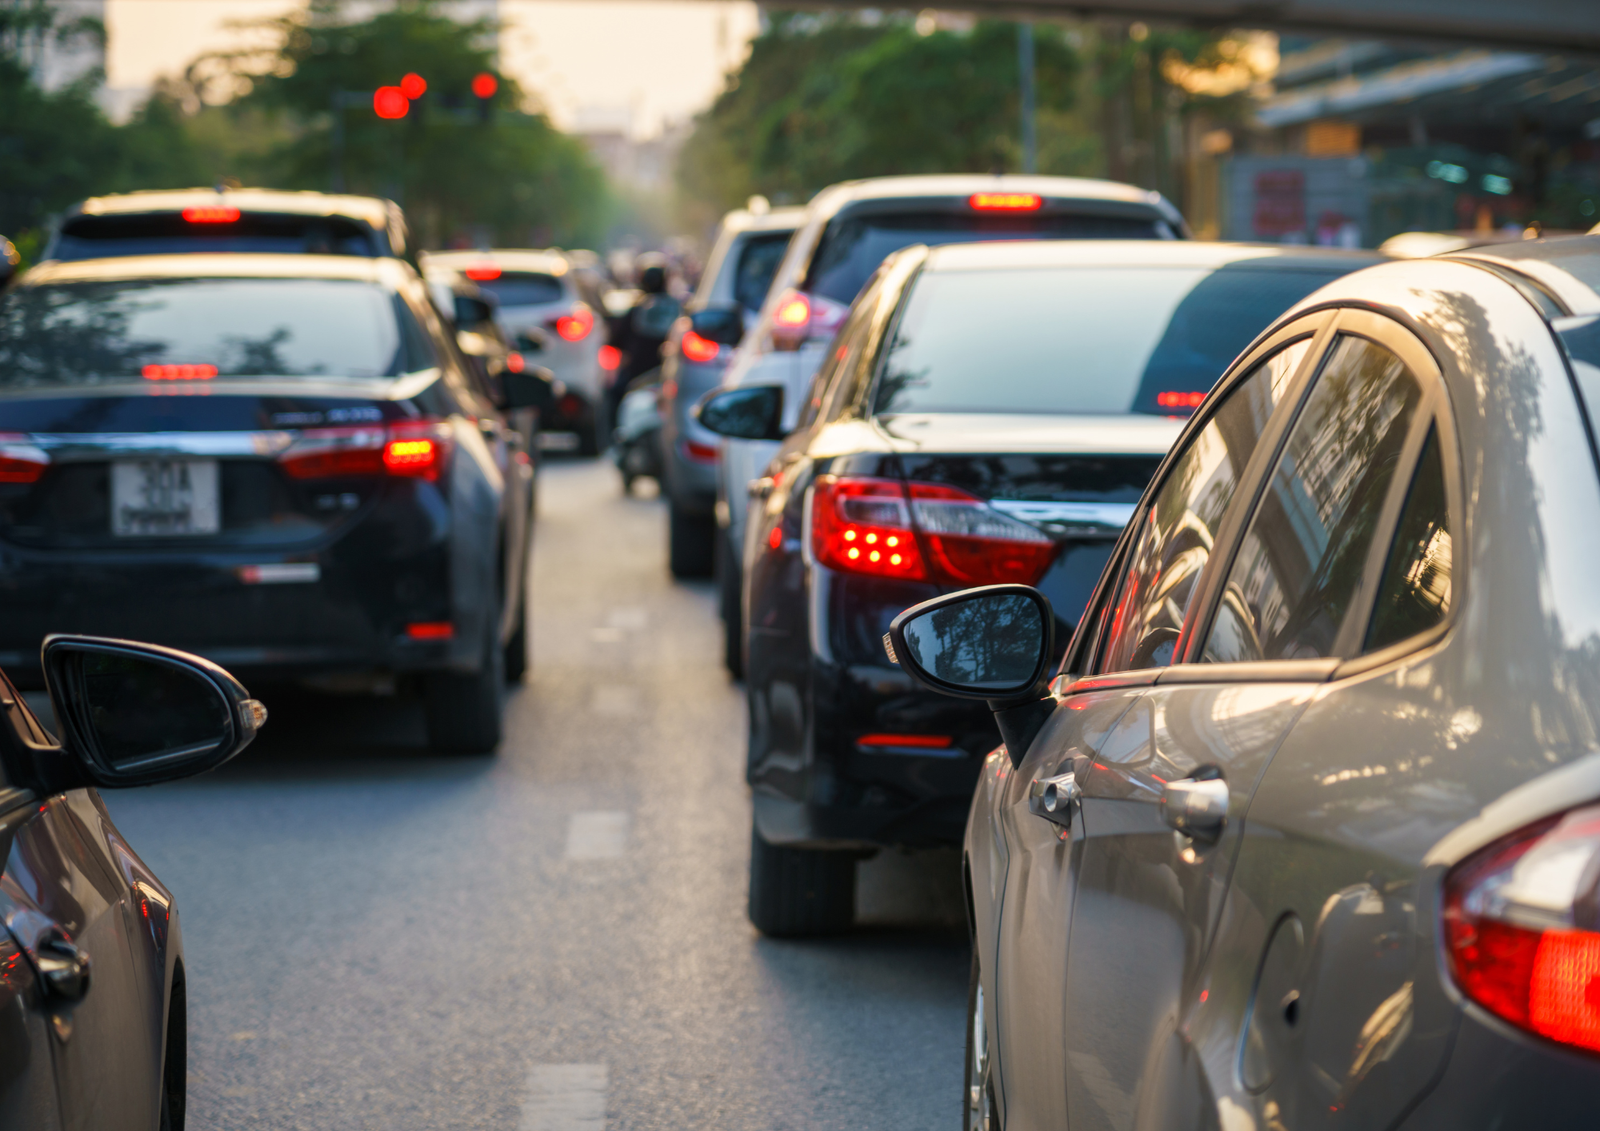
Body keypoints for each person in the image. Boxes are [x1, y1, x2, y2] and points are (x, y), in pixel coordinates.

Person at [607, 252, 681, 428]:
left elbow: (615, 339)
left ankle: (616, 438)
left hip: (639, 375)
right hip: (669, 374)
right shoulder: (680, 309)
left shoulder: (636, 309)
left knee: (613, 395)